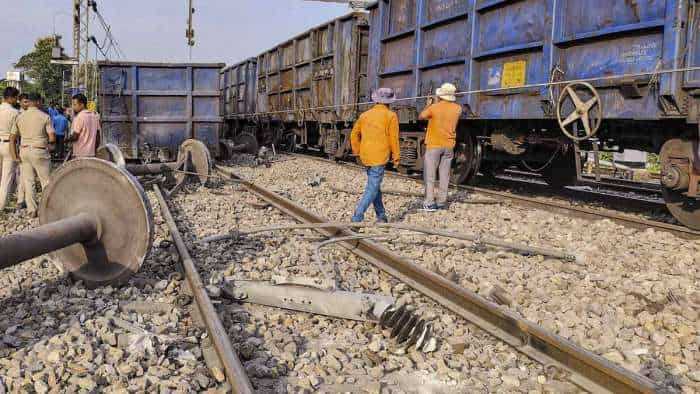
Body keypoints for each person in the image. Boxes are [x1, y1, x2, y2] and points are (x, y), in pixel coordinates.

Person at [349, 88, 400, 223]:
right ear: (389, 102)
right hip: (379, 156)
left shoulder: (364, 115)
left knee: (374, 186)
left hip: (366, 156)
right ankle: (357, 216)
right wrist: (396, 157)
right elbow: (393, 139)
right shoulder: (391, 116)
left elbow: (354, 134)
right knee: (372, 188)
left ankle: (381, 215)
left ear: (376, 100)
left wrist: (357, 151)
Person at [10, 92, 56, 217]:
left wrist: (15, 155)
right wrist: (51, 146)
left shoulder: (20, 117)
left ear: (29, 101)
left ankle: (32, 210)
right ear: (37, 101)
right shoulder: (44, 117)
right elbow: (52, 136)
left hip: (24, 150)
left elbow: (13, 137)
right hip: (39, 150)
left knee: (28, 180)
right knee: (45, 181)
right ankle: (48, 207)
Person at [418, 83, 462, 211]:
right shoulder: (457, 108)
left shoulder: (434, 108)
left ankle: (429, 202)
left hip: (434, 145)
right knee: (445, 175)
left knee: (430, 175)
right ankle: (442, 202)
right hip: (449, 145)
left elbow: (421, 116)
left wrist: (429, 104)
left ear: (440, 95)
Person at [0, 87, 20, 211]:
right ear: (11, 98)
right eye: (16, 98)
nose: (17, 100)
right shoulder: (15, 113)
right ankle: (1, 207)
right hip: (9, 145)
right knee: (6, 178)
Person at [66, 93, 100, 158]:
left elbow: (75, 136)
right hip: (91, 154)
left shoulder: (79, 117)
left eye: (75, 105)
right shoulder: (95, 116)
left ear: (82, 105)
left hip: (79, 154)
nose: (73, 107)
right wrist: (94, 150)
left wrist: (66, 140)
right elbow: (98, 137)